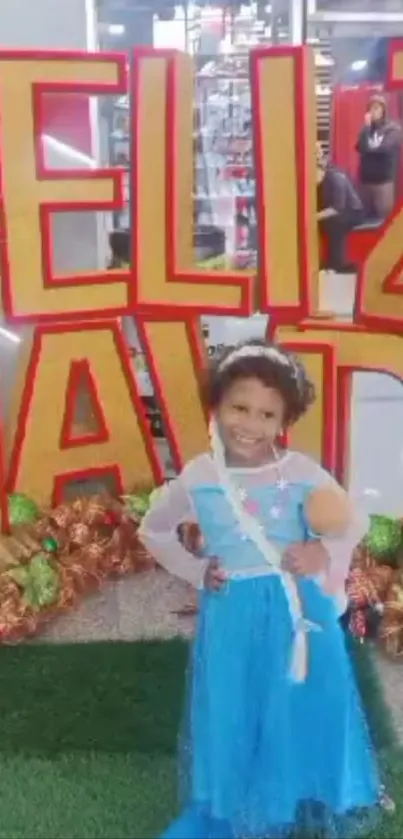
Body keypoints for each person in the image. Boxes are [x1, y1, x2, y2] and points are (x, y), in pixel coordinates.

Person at [140, 341, 381, 839]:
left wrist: (321, 554)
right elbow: (153, 530)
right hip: (232, 614)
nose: (250, 424)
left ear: (285, 419)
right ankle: (242, 799)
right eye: (239, 407)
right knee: (235, 706)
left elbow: (353, 520)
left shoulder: (299, 472)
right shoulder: (200, 476)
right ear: (217, 405)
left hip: (299, 616)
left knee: (301, 704)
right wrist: (194, 570)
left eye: (267, 414)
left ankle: (307, 792)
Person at [356, 94, 402, 220]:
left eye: (376, 108)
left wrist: (368, 150)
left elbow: (384, 150)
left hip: (383, 183)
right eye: (370, 108)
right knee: (364, 221)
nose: (373, 111)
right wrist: (366, 128)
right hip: (365, 182)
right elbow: (360, 148)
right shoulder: (366, 130)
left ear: (383, 110)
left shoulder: (393, 129)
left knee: (384, 219)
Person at [317, 155, 363, 273]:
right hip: (333, 211)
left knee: (335, 225)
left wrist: (315, 217)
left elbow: (338, 207)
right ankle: (323, 261)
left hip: (352, 211)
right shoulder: (319, 181)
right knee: (326, 224)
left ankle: (337, 265)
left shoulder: (336, 178)